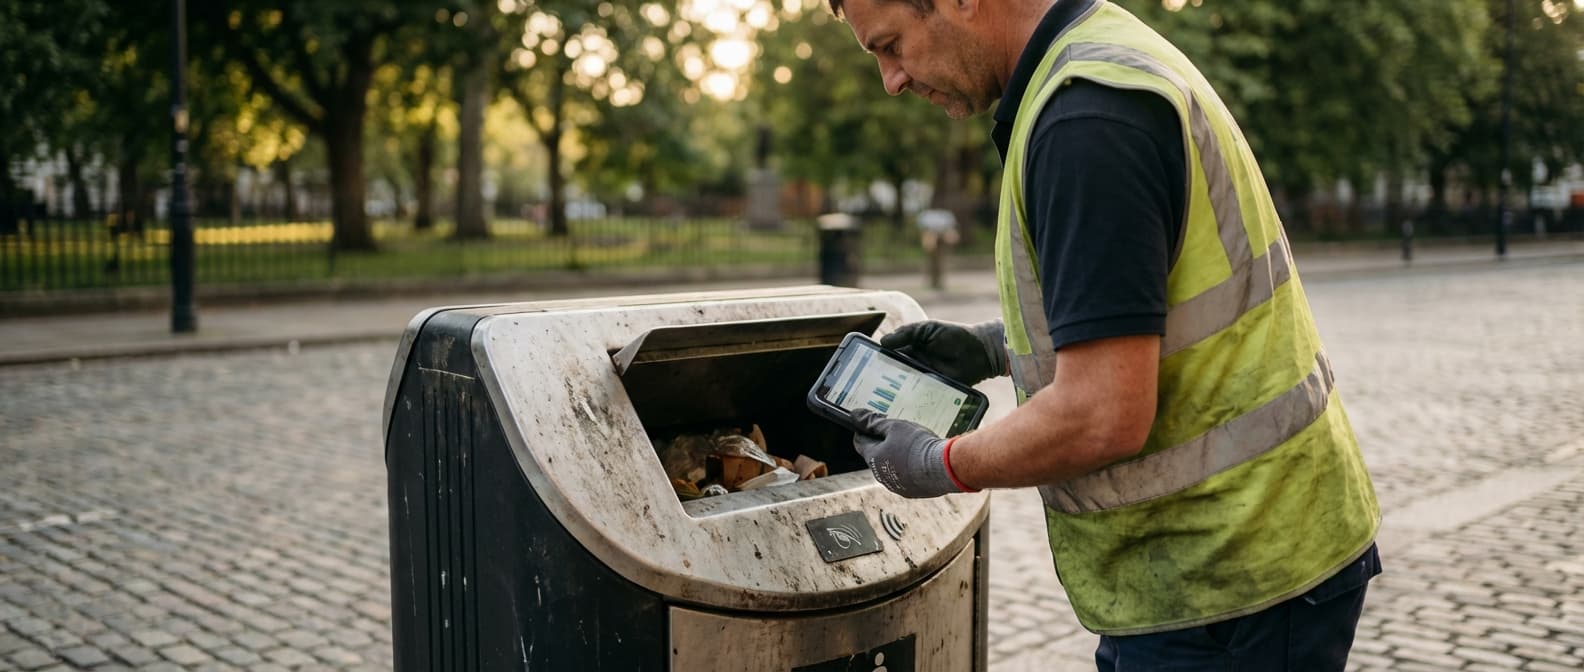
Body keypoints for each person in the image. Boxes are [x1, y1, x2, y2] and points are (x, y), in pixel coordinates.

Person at [825, 0, 1383, 668]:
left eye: (890, 45)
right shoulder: (1099, 61)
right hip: (1228, 565)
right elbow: (1149, 307)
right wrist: (991, 346)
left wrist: (938, 464)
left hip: (1230, 582)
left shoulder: (1083, 120)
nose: (891, 79)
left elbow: (1102, 414)